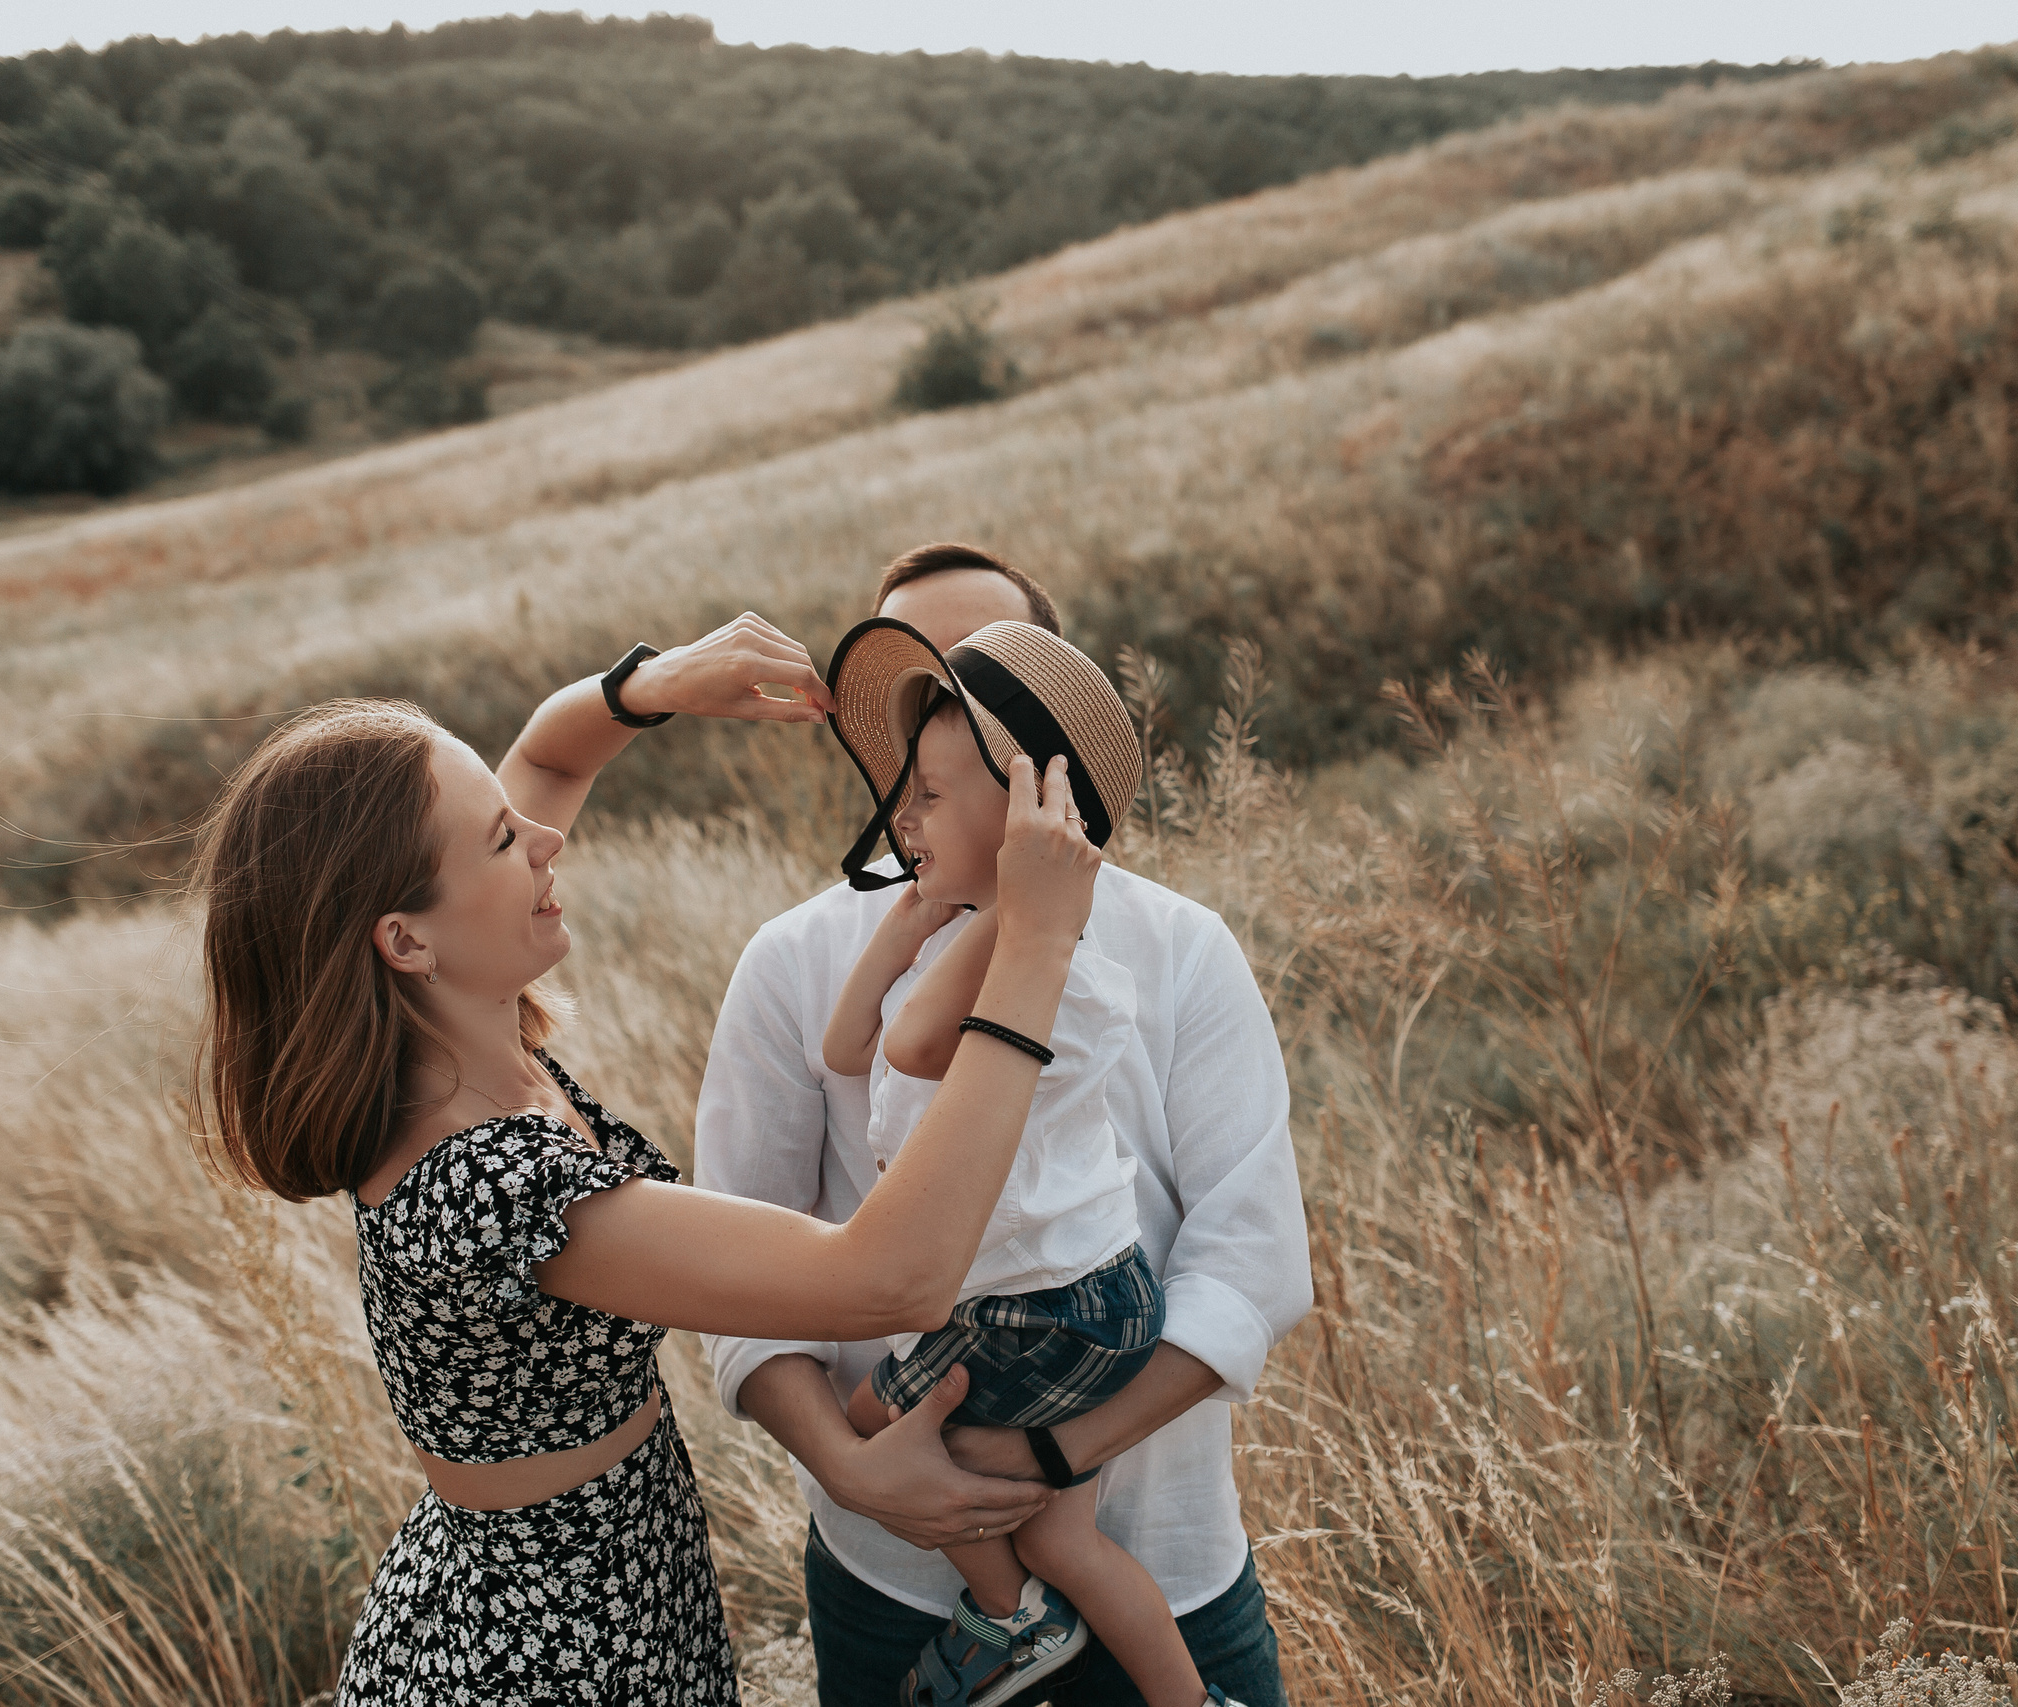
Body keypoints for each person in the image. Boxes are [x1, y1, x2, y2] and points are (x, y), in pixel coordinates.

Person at [191, 611, 1104, 1705]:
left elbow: (549, 750)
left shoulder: (446, 1037)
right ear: (405, 940)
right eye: (500, 840)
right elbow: (891, 1276)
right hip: (543, 1657)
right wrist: (1034, 948)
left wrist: (657, 685)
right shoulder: (489, 1184)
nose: (545, 838)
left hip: (579, 1594)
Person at [697, 548, 1311, 1707]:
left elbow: (1252, 1262)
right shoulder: (795, 958)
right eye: (921, 703)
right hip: (896, 1587)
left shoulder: (1179, 948)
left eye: (984, 697)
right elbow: (739, 1274)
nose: (939, 722)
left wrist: (1047, 1457)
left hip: (1168, 1568)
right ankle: (1000, 1612)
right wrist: (858, 1470)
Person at [816, 614, 1236, 1707]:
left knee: (871, 1424)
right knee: (1064, 1536)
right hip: (1068, 1295)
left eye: (930, 798)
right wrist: (906, 926)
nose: (899, 817)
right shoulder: (985, 935)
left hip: (1053, 1308)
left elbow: (904, 1048)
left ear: (1024, 821)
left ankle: (1010, 1622)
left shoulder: (1031, 948)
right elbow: (845, 1049)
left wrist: (944, 926)